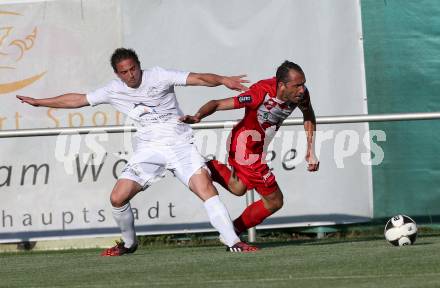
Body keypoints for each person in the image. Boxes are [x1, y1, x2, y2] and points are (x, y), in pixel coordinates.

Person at [17, 47, 259, 255]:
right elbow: (77, 100)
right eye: (124, 72)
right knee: (117, 197)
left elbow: (197, 78)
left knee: (205, 187)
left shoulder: (159, 76)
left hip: (180, 145)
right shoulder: (113, 90)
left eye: (133, 68)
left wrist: (223, 79)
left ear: (138, 66)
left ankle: (233, 242)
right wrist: (40, 102)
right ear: (117, 74)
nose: (131, 75)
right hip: (149, 150)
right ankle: (130, 244)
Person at [181, 60, 320, 238]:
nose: (302, 89)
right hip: (245, 149)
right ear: (282, 85)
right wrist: (197, 116)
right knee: (275, 201)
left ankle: (207, 167)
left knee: (238, 188)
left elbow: (308, 114)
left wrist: (311, 149)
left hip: (256, 148)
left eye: (303, 84)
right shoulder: (259, 94)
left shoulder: (301, 94)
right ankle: (232, 231)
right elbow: (216, 103)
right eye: (297, 85)